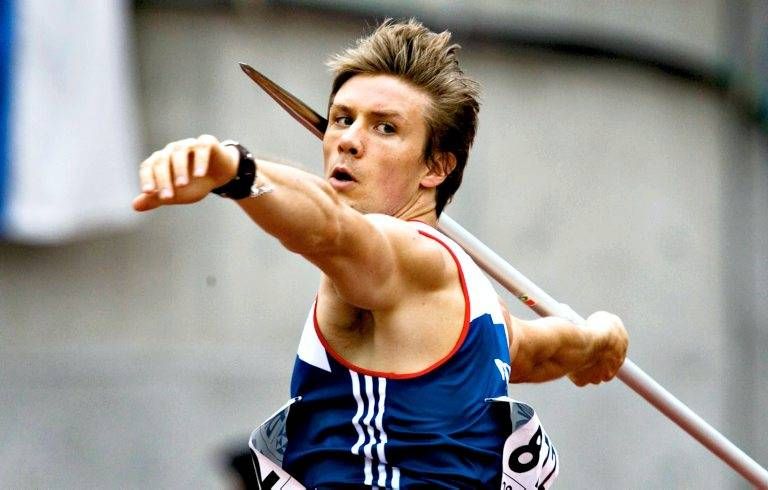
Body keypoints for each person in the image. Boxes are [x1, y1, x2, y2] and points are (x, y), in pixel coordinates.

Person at [133, 19, 628, 489]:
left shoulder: (408, 258)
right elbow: (543, 351)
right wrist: (599, 338)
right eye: (342, 119)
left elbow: (329, 230)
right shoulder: (478, 306)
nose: (348, 141)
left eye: (385, 128)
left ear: (436, 166)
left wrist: (238, 174)